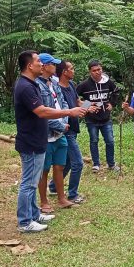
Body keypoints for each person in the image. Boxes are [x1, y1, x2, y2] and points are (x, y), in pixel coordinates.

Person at [14, 50, 87, 233]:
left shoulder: (32, 84)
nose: (41, 64)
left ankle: (34, 214)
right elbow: (42, 111)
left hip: (38, 139)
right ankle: (25, 222)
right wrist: (69, 113)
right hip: (30, 141)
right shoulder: (26, 87)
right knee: (29, 183)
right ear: (30, 65)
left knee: (33, 180)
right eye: (38, 61)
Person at [35, 53, 77, 212]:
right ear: (45, 66)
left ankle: (61, 198)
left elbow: (63, 102)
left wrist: (64, 121)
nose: (56, 67)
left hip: (61, 131)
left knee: (59, 166)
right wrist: (60, 125)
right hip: (46, 134)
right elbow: (42, 112)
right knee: (44, 169)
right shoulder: (36, 85)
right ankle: (44, 202)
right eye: (53, 64)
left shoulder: (54, 83)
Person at [49, 60, 86, 204]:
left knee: (68, 161)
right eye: (71, 68)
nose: (74, 70)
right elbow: (63, 110)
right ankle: (72, 194)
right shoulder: (57, 89)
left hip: (73, 129)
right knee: (78, 162)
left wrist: (89, 106)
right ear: (64, 72)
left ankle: (53, 186)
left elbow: (78, 103)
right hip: (66, 130)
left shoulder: (71, 85)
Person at [76, 60, 120, 172]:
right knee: (94, 140)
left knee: (110, 141)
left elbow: (116, 91)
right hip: (91, 119)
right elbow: (75, 97)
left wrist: (112, 104)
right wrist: (87, 106)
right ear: (90, 72)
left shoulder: (107, 82)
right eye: (94, 70)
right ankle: (96, 164)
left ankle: (111, 164)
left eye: (99, 69)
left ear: (102, 69)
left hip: (106, 118)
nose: (97, 72)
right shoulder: (84, 85)